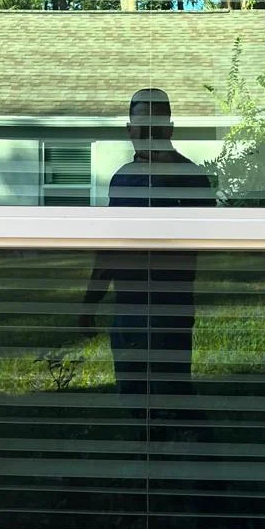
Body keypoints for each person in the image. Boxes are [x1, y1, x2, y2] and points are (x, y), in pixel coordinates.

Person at [78, 89, 214, 402]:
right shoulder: (122, 179)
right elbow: (109, 250)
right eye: (142, 125)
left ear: (169, 128)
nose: (148, 132)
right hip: (127, 307)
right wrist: (90, 303)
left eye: (156, 124)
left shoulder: (191, 177)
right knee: (132, 394)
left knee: (172, 393)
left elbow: (202, 234)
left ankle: (191, 448)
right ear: (129, 130)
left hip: (169, 307)